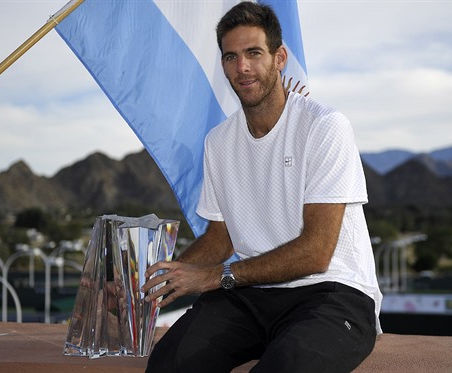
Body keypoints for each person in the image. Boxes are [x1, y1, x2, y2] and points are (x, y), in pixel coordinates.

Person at [142, 2, 382, 372]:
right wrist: (154, 283)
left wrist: (215, 276)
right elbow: (221, 239)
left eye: (254, 53)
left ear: (279, 57)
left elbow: (316, 252)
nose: (242, 67)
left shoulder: (324, 126)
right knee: (169, 363)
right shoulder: (219, 142)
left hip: (331, 293)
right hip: (251, 294)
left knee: (285, 366)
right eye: (231, 57)